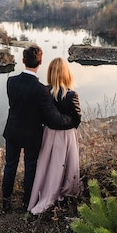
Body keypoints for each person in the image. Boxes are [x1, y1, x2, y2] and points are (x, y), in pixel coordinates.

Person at [1, 44, 74, 212]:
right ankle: (27, 202)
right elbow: (53, 118)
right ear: (40, 62)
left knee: (10, 165)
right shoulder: (41, 90)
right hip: (31, 135)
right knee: (30, 167)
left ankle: (6, 200)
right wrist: (71, 120)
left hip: (12, 131)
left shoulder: (11, 81)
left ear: (23, 60)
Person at [27, 57, 82, 215]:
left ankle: (46, 190)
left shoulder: (44, 92)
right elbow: (78, 118)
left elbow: (40, 115)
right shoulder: (72, 95)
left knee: (48, 165)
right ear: (67, 74)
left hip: (49, 133)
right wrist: (69, 124)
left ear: (51, 73)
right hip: (67, 135)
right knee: (67, 164)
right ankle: (65, 191)